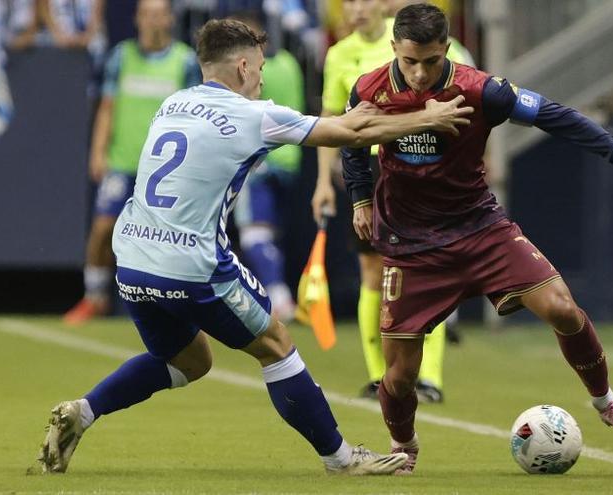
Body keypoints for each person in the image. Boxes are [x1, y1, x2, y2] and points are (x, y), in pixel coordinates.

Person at [38, 18, 473, 475]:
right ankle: (342, 458)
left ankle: (82, 412)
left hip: (131, 259)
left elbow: (350, 123)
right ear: (243, 66)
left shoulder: (173, 103)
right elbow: (351, 134)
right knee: (276, 344)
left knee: (190, 360)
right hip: (192, 264)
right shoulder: (254, 115)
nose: (262, 77)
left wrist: (361, 114)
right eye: (260, 67)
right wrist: (429, 117)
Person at [343, 4, 613, 474]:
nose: (420, 74)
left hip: (481, 229)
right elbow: (352, 144)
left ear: (447, 49)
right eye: (410, 61)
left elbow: (553, 115)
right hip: (410, 245)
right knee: (399, 377)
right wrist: (360, 201)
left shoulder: (482, 90)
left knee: (563, 308)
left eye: (432, 61)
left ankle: (607, 405)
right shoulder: (368, 88)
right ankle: (405, 446)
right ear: (395, 48)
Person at [311, 0, 471, 403]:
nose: (358, 8)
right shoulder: (339, 54)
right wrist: (323, 182)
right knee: (371, 272)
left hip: (412, 161)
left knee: (425, 272)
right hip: (365, 169)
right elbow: (333, 117)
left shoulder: (406, 42)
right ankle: (378, 376)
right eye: (349, 1)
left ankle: (429, 378)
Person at [64, 0, 201, 325]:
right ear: (137, 19)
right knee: (102, 229)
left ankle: (172, 306)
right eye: (147, 14)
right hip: (123, 162)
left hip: (167, 169)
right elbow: (107, 106)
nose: (153, 20)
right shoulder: (120, 57)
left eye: (159, 14)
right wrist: (98, 151)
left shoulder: (184, 61)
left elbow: (196, 116)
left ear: (169, 19)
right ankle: (95, 296)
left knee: (167, 238)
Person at [231, 11, 305, 322]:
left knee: (253, 235)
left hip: (260, 160)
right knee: (269, 232)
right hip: (289, 160)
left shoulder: (248, 70)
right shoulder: (288, 62)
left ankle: (280, 299)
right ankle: (275, 295)